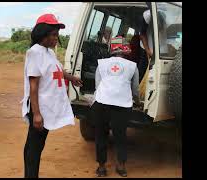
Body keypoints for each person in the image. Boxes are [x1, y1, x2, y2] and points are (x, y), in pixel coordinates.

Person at [21, 13, 83, 178]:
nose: (56, 38)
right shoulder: (35, 52)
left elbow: (57, 71)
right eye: (53, 34)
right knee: (33, 149)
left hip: (46, 108)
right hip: (39, 108)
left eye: (57, 35)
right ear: (42, 34)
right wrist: (37, 114)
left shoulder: (49, 53)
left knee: (35, 146)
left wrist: (71, 78)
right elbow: (33, 85)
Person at [91, 48, 141, 177]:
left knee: (101, 135)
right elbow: (135, 90)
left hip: (102, 102)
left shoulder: (101, 64)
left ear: (111, 52)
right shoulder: (132, 66)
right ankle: (121, 167)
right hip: (122, 105)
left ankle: (101, 168)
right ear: (126, 53)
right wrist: (137, 101)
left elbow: (97, 86)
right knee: (120, 136)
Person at [139, 9, 168, 81]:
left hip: (160, 49)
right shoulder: (147, 16)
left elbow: (163, 35)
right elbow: (142, 34)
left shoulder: (165, 17)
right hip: (146, 48)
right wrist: (148, 51)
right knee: (142, 73)